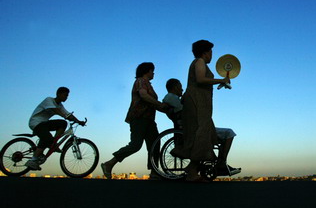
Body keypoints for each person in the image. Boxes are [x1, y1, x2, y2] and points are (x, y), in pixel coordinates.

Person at [171, 40, 231, 182]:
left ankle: (192, 169)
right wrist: (221, 80)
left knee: (205, 134)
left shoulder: (200, 63)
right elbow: (200, 79)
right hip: (196, 102)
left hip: (201, 102)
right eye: (211, 52)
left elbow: (203, 82)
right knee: (201, 133)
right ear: (205, 52)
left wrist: (220, 83)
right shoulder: (199, 62)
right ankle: (192, 173)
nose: (212, 55)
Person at [101, 62, 169, 180]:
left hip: (149, 119)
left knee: (154, 144)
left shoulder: (148, 84)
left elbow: (153, 104)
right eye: (152, 70)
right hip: (139, 118)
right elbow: (143, 96)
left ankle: (154, 171)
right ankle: (109, 163)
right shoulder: (140, 81)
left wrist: (166, 109)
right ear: (146, 71)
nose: (153, 73)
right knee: (135, 145)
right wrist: (160, 104)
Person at [162, 78, 240, 176]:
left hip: (191, 126)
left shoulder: (174, 99)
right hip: (194, 128)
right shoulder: (171, 97)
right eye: (180, 87)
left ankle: (217, 163)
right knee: (229, 133)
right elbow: (188, 111)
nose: (182, 90)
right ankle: (221, 163)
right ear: (175, 87)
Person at [26, 87, 86, 170]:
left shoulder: (60, 106)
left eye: (67, 96)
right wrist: (64, 115)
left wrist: (78, 121)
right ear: (58, 94)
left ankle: (53, 143)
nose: (66, 97)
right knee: (47, 138)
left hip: (44, 124)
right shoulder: (49, 100)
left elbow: (68, 114)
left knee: (62, 123)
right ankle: (33, 160)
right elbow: (55, 110)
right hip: (36, 123)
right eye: (65, 95)